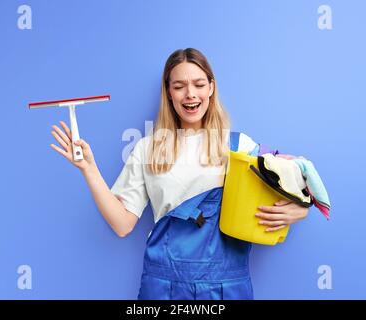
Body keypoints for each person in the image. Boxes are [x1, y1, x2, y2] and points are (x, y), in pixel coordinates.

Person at [50, 48, 309, 300]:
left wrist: (300, 209)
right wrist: (89, 169)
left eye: (198, 84)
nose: (190, 94)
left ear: (211, 87)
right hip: (163, 285)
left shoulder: (240, 148)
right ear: (168, 92)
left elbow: (293, 178)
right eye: (179, 86)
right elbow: (122, 224)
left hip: (227, 285)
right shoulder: (147, 148)